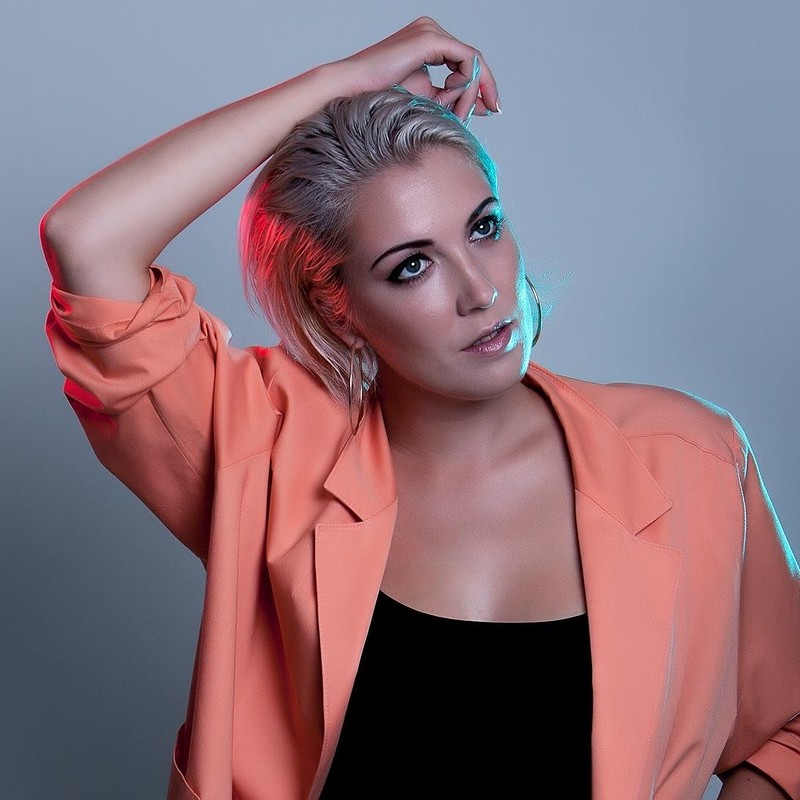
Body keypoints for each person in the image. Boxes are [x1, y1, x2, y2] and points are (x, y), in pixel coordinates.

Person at [39, 15, 799, 800]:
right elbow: (87, 238)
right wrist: (334, 83)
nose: (480, 292)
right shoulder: (264, 448)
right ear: (338, 310)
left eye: (484, 228)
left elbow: (787, 730)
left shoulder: (692, 459)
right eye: (411, 267)